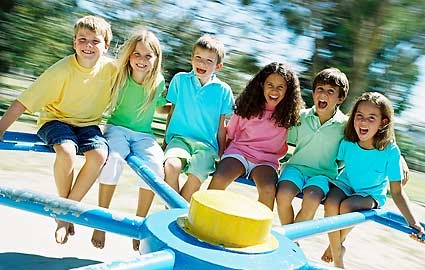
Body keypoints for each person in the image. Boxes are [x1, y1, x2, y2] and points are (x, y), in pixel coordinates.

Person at [0, 15, 116, 244]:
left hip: (88, 124)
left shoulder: (112, 70)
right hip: (55, 120)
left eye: (95, 41)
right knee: (66, 151)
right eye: (82, 39)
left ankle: (63, 213)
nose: (88, 45)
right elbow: (23, 101)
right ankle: (65, 213)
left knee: (100, 155)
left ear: (106, 46)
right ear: (74, 43)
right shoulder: (61, 70)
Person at [322, 92, 424, 269]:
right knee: (331, 203)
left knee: (347, 207)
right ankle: (337, 248)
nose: (363, 122)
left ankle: (336, 254)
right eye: (359, 116)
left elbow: (398, 193)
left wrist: (413, 222)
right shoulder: (348, 142)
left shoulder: (390, 151)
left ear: (383, 122)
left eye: (371, 118)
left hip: (371, 193)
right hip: (345, 183)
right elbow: (335, 166)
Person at [90, 28, 168, 251]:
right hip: (117, 128)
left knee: (155, 167)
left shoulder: (158, 82)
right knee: (113, 159)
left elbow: (159, 107)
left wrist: (181, 109)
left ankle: (138, 225)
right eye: (137, 54)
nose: (142, 60)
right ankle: (101, 222)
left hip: (144, 135)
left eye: (147, 56)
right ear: (129, 55)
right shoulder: (118, 74)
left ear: (156, 59)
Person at [208, 62, 304, 210]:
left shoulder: (290, 116)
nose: (274, 91)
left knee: (268, 190)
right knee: (219, 177)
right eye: (270, 85)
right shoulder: (247, 107)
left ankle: (259, 231)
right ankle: (203, 218)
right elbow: (230, 134)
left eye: (280, 87)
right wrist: (220, 156)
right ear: (261, 85)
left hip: (267, 161)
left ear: (288, 90)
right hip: (239, 153)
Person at [163, 34, 235, 202]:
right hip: (178, 140)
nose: (202, 63)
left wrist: (222, 155)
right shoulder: (179, 80)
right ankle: (174, 213)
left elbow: (221, 125)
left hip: (207, 147)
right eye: (198, 58)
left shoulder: (223, 90)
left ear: (218, 66)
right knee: (171, 166)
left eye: (209, 61)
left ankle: (176, 213)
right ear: (191, 59)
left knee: (195, 178)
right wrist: (166, 142)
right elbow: (172, 112)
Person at [276, 67, 349, 225]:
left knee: (312, 200)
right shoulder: (300, 116)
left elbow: (344, 158)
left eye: (330, 91)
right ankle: (289, 238)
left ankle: (291, 239)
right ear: (314, 92)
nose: (323, 94)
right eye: (320, 89)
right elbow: (282, 139)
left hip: (323, 175)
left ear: (340, 98)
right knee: (283, 195)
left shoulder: (345, 126)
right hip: (295, 168)